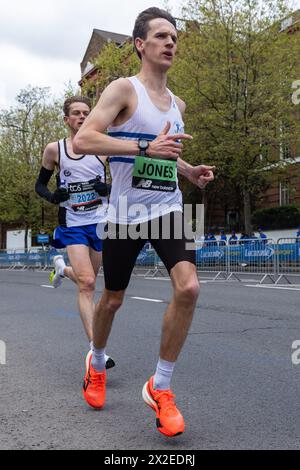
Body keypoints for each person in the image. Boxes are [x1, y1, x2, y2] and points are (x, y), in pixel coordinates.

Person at [74, 7, 215, 437]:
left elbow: (164, 149)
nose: (170, 42)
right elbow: (84, 140)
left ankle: (162, 386)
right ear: (140, 44)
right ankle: (96, 362)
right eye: (161, 36)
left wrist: (187, 170)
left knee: (188, 286)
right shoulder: (123, 89)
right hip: (125, 214)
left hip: (166, 207)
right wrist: (143, 148)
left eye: (174, 37)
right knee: (112, 299)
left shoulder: (179, 103)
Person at [35, 96, 115, 370]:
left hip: (99, 221)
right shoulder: (54, 150)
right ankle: (97, 352)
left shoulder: (103, 148)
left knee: (87, 279)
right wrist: (54, 196)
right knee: (89, 284)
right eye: (76, 114)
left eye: (86, 113)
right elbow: (40, 186)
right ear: (67, 119)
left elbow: (122, 183)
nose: (82, 117)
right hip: (72, 223)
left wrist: (108, 189)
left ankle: (61, 269)